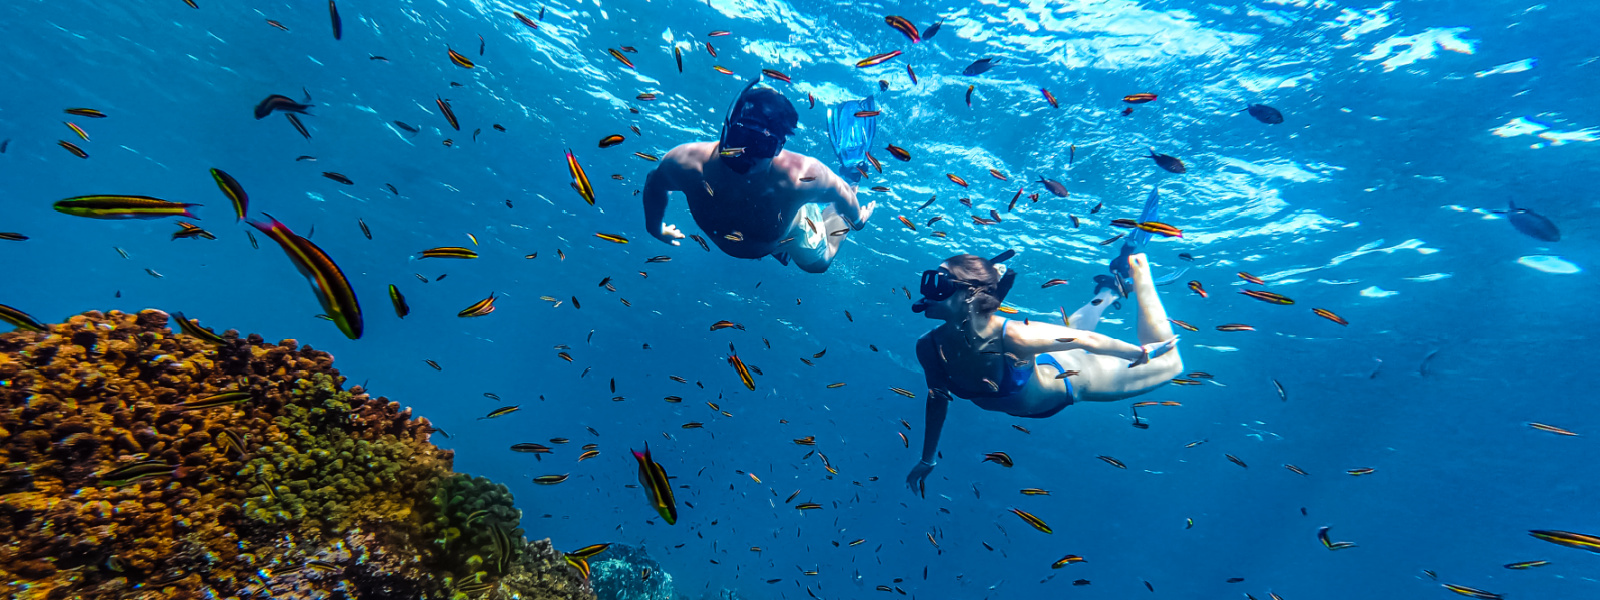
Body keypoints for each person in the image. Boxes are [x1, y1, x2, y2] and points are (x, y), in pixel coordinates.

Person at [904, 249, 1183, 495]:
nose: (926, 291)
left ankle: (1140, 269)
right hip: (1041, 362)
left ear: (968, 294)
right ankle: (1109, 289)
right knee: (1068, 334)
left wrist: (1140, 353)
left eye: (937, 282)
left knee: (1171, 364)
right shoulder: (927, 347)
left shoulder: (1016, 336)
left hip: (1075, 377)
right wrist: (928, 459)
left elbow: (1088, 341)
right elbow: (938, 398)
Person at [641, 77, 878, 273]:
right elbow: (654, 183)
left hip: (794, 230)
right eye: (742, 139)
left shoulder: (799, 176)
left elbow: (841, 193)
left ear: (777, 148)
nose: (745, 155)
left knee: (820, 264)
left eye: (760, 146)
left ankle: (851, 172)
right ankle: (779, 250)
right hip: (769, 236)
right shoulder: (687, 163)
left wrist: (856, 221)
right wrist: (655, 227)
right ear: (727, 129)